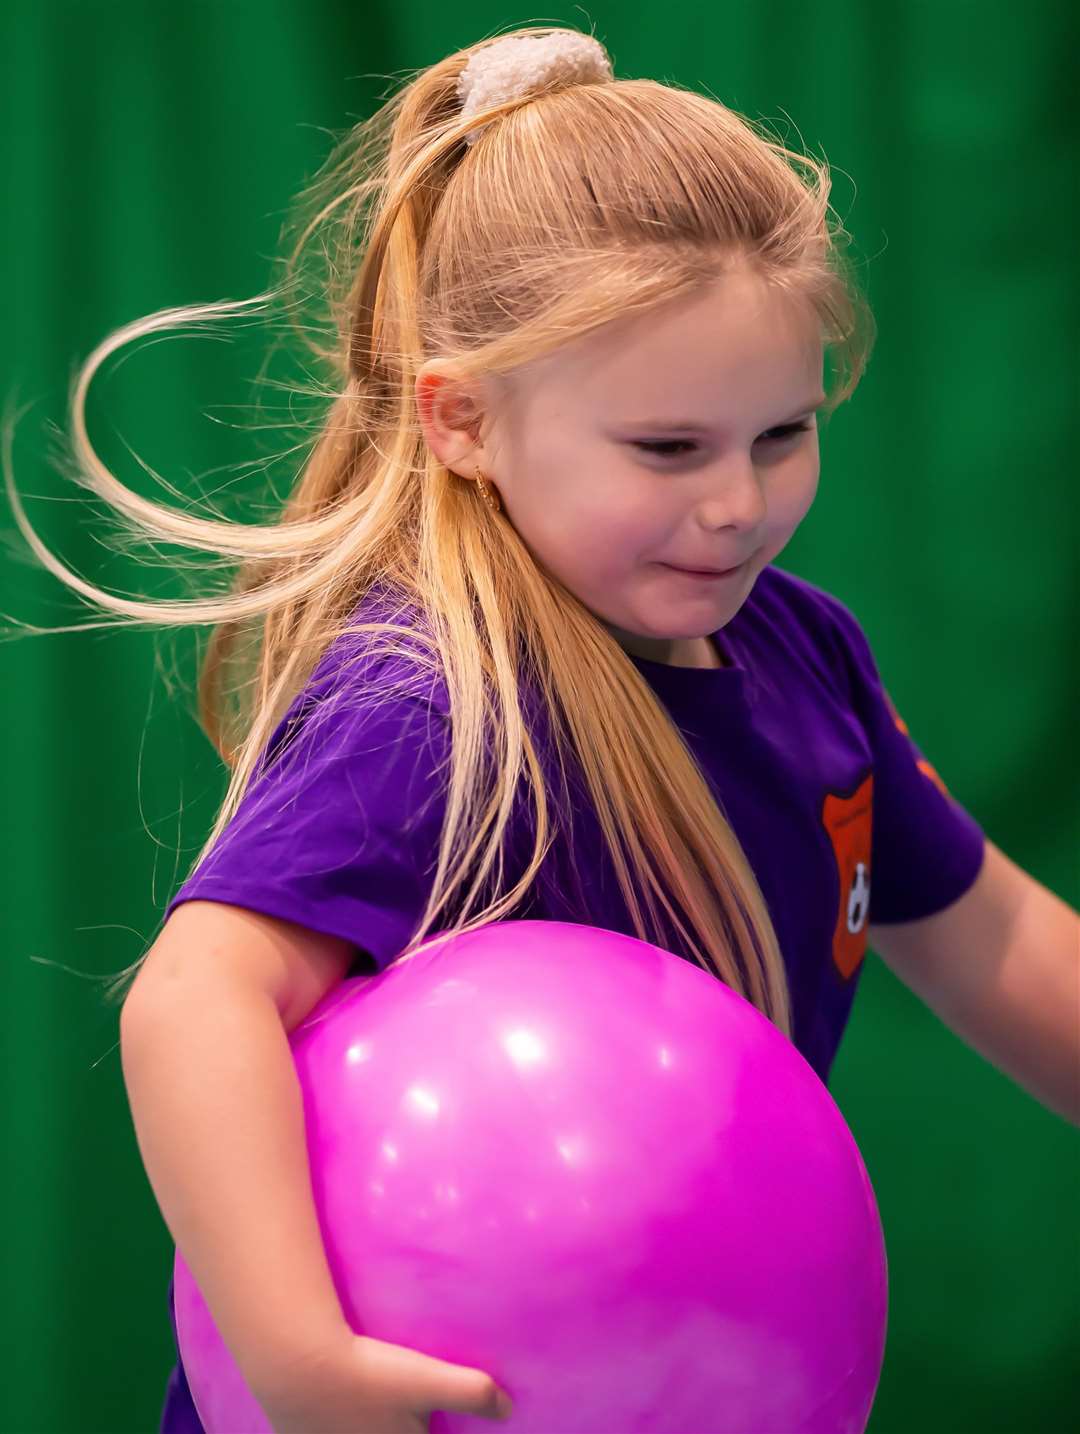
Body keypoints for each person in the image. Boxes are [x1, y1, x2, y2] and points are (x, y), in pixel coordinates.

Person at [8, 23, 1075, 1434]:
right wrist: (299, 1359)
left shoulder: (805, 652)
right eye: (669, 447)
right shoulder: (430, 700)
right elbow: (194, 999)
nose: (741, 505)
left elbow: (993, 936)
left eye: (784, 433)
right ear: (462, 421)